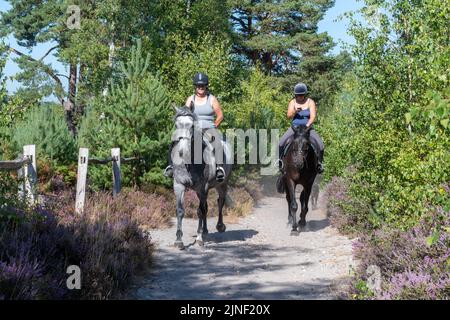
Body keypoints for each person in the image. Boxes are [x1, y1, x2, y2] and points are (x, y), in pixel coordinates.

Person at [164, 72, 226, 181]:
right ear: (195, 87)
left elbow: (220, 115)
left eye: (202, 85)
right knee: (174, 141)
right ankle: (170, 166)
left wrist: (214, 126)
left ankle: (219, 168)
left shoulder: (211, 99)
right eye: (198, 86)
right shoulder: (190, 99)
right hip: (193, 128)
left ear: (206, 86)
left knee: (217, 141)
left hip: (208, 128)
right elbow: (185, 113)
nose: (200, 88)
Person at [277, 82, 324, 173]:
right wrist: (295, 111)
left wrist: (306, 127)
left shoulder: (310, 102)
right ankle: (280, 162)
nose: (300, 97)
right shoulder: (292, 102)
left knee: (320, 145)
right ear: (295, 95)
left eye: (302, 95)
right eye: (298, 95)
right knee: (281, 143)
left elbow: (313, 116)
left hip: (307, 128)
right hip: (295, 128)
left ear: (305, 94)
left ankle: (319, 164)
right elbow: (289, 116)